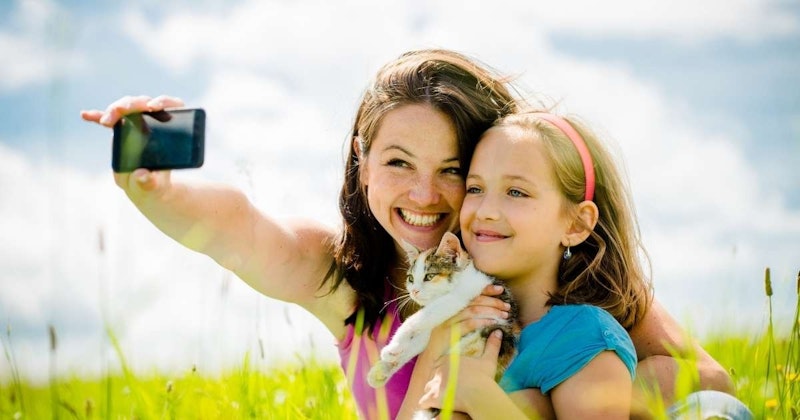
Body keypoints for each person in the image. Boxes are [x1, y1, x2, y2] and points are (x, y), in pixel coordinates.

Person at [81, 49, 735, 419]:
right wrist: (158, 188)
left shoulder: (565, 278)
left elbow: (709, 382)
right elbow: (239, 231)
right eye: (398, 164)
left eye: (454, 171)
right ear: (362, 159)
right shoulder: (341, 273)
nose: (425, 197)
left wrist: (554, 403)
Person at [417, 111, 752, 419]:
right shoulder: (458, 328)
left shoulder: (582, 334)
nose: (486, 209)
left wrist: (481, 398)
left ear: (576, 225)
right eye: (475, 188)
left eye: (517, 192)